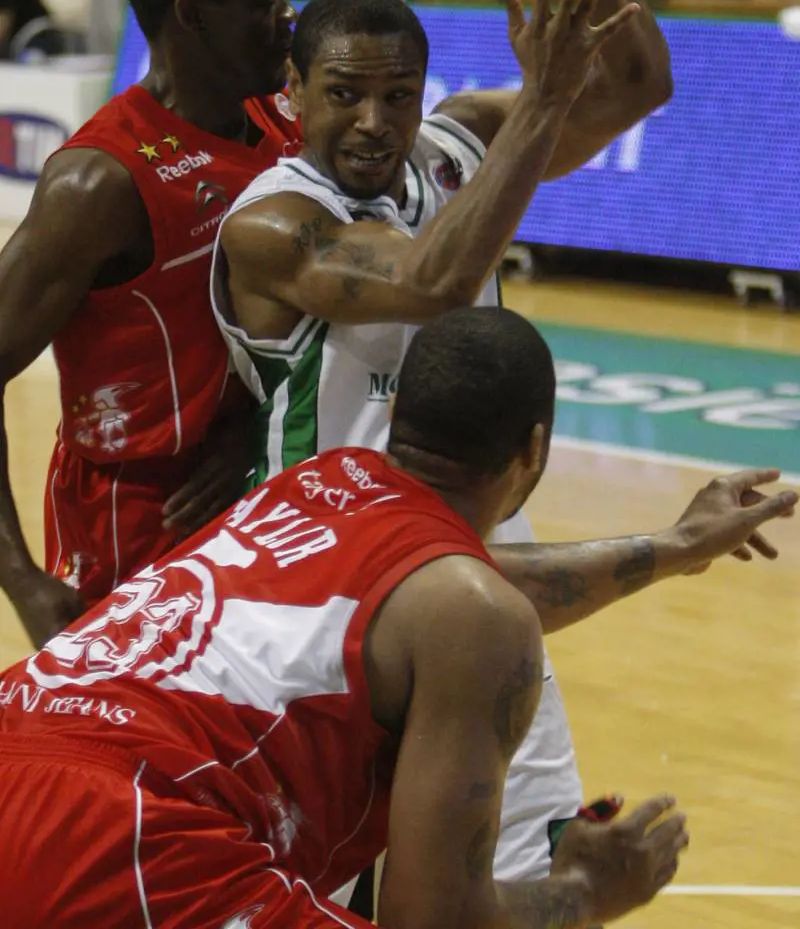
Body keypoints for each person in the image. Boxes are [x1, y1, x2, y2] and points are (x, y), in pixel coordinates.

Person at [212, 0, 673, 892]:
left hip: (474, 576)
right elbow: (432, 278)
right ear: (294, 90)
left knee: (513, 878)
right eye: (343, 94)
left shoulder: (456, 147)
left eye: (397, 96)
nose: (373, 123)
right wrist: (544, 104)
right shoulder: (273, 223)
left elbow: (639, 83)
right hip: (322, 600)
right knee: (331, 898)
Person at [1, 304, 794, 927]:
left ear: (394, 418)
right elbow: (435, 919)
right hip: (128, 831)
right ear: (534, 450)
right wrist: (588, 888)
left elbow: (463, 587)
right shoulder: (473, 616)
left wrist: (677, 546)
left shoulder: (320, 483)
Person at [0, 0, 301, 650]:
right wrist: (22, 579)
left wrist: (251, 429)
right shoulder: (98, 185)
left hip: (261, 479)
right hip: (139, 519)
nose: (287, 19)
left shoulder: (283, 118)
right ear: (191, 16)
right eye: (263, 2)